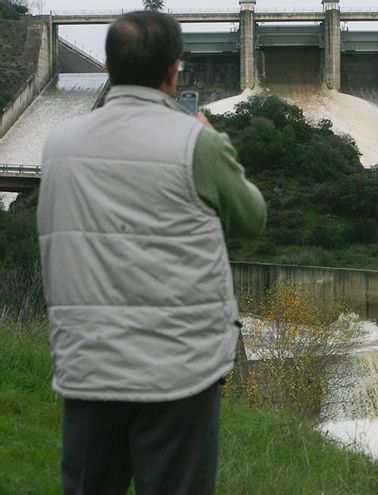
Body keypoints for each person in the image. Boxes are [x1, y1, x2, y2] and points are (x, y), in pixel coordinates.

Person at [37, 10, 266, 495]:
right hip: (178, 374)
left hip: (89, 365)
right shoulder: (197, 144)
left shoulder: (58, 145)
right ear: (173, 70)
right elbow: (251, 218)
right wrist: (213, 138)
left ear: (108, 67)